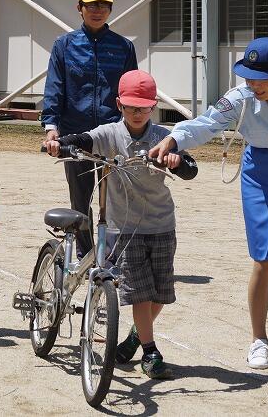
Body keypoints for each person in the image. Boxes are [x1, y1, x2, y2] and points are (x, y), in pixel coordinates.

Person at [150, 37, 268, 370]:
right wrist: (173, 138)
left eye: (261, 79)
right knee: (263, 259)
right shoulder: (240, 98)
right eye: (248, 77)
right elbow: (207, 123)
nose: (253, 85)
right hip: (260, 176)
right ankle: (258, 341)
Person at [45, 70, 197, 380]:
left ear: (153, 106)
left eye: (143, 107)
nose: (137, 113)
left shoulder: (163, 137)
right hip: (125, 228)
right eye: (130, 107)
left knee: (160, 293)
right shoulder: (110, 134)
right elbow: (83, 139)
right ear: (119, 105)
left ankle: (135, 338)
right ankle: (151, 352)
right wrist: (59, 143)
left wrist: (177, 162)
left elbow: (191, 169)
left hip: (161, 223)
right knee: (140, 293)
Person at [41, 0, 138, 256]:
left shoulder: (123, 47)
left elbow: (131, 91)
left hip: (113, 135)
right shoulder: (64, 45)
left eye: (104, 6)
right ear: (80, 7)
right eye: (92, 5)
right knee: (81, 200)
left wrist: (134, 127)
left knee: (118, 198)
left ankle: (114, 256)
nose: (98, 11)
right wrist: (51, 126)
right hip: (76, 135)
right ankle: (86, 255)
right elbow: (55, 87)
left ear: (110, 10)